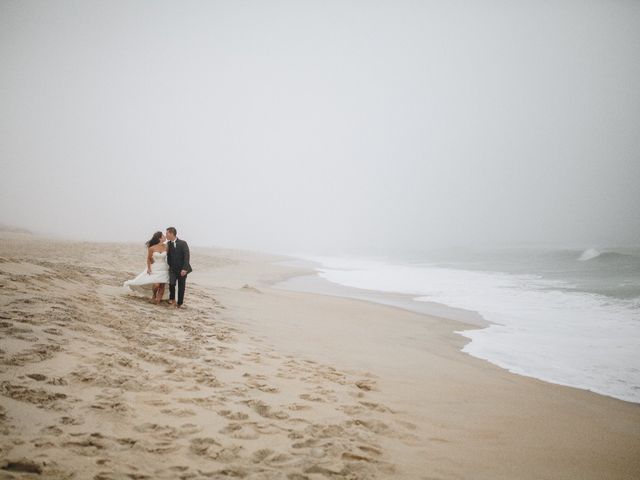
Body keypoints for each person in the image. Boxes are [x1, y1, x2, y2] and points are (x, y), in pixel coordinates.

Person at [123, 231, 170, 303]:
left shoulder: (166, 246)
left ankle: (158, 300)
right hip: (155, 267)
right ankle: (154, 295)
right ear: (160, 238)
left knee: (162, 285)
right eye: (163, 236)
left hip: (164, 267)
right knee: (156, 284)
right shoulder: (152, 248)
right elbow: (148, 258)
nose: (165, 237)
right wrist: (149, 268)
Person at [165, 227, 192, 308]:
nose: (166, 235)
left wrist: (184, 268)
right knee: (172, 283)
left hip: (182, 269)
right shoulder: (168, 244)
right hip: (172, 269)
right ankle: (172, 299)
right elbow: (168, 256)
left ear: (172, 233)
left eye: (167, 233)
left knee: (181, 286)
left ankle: (179, 303)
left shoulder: (183, 243)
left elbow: (187, 256)